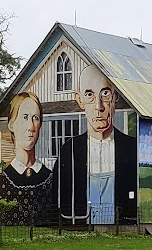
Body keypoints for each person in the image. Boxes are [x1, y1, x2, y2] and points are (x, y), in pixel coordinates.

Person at [53, 65, 137, 225]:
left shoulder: (132, 149)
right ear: (80, 100)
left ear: (115, 97)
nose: (99, 106)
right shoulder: (69, 151)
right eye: (89, 95)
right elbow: (59, 195)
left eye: (105, 93)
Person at [0, 92, 52, 226]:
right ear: (11, 125)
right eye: (25, 117)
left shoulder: (50, 178)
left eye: (36, 118)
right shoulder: (2, 181)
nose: (31, 127)